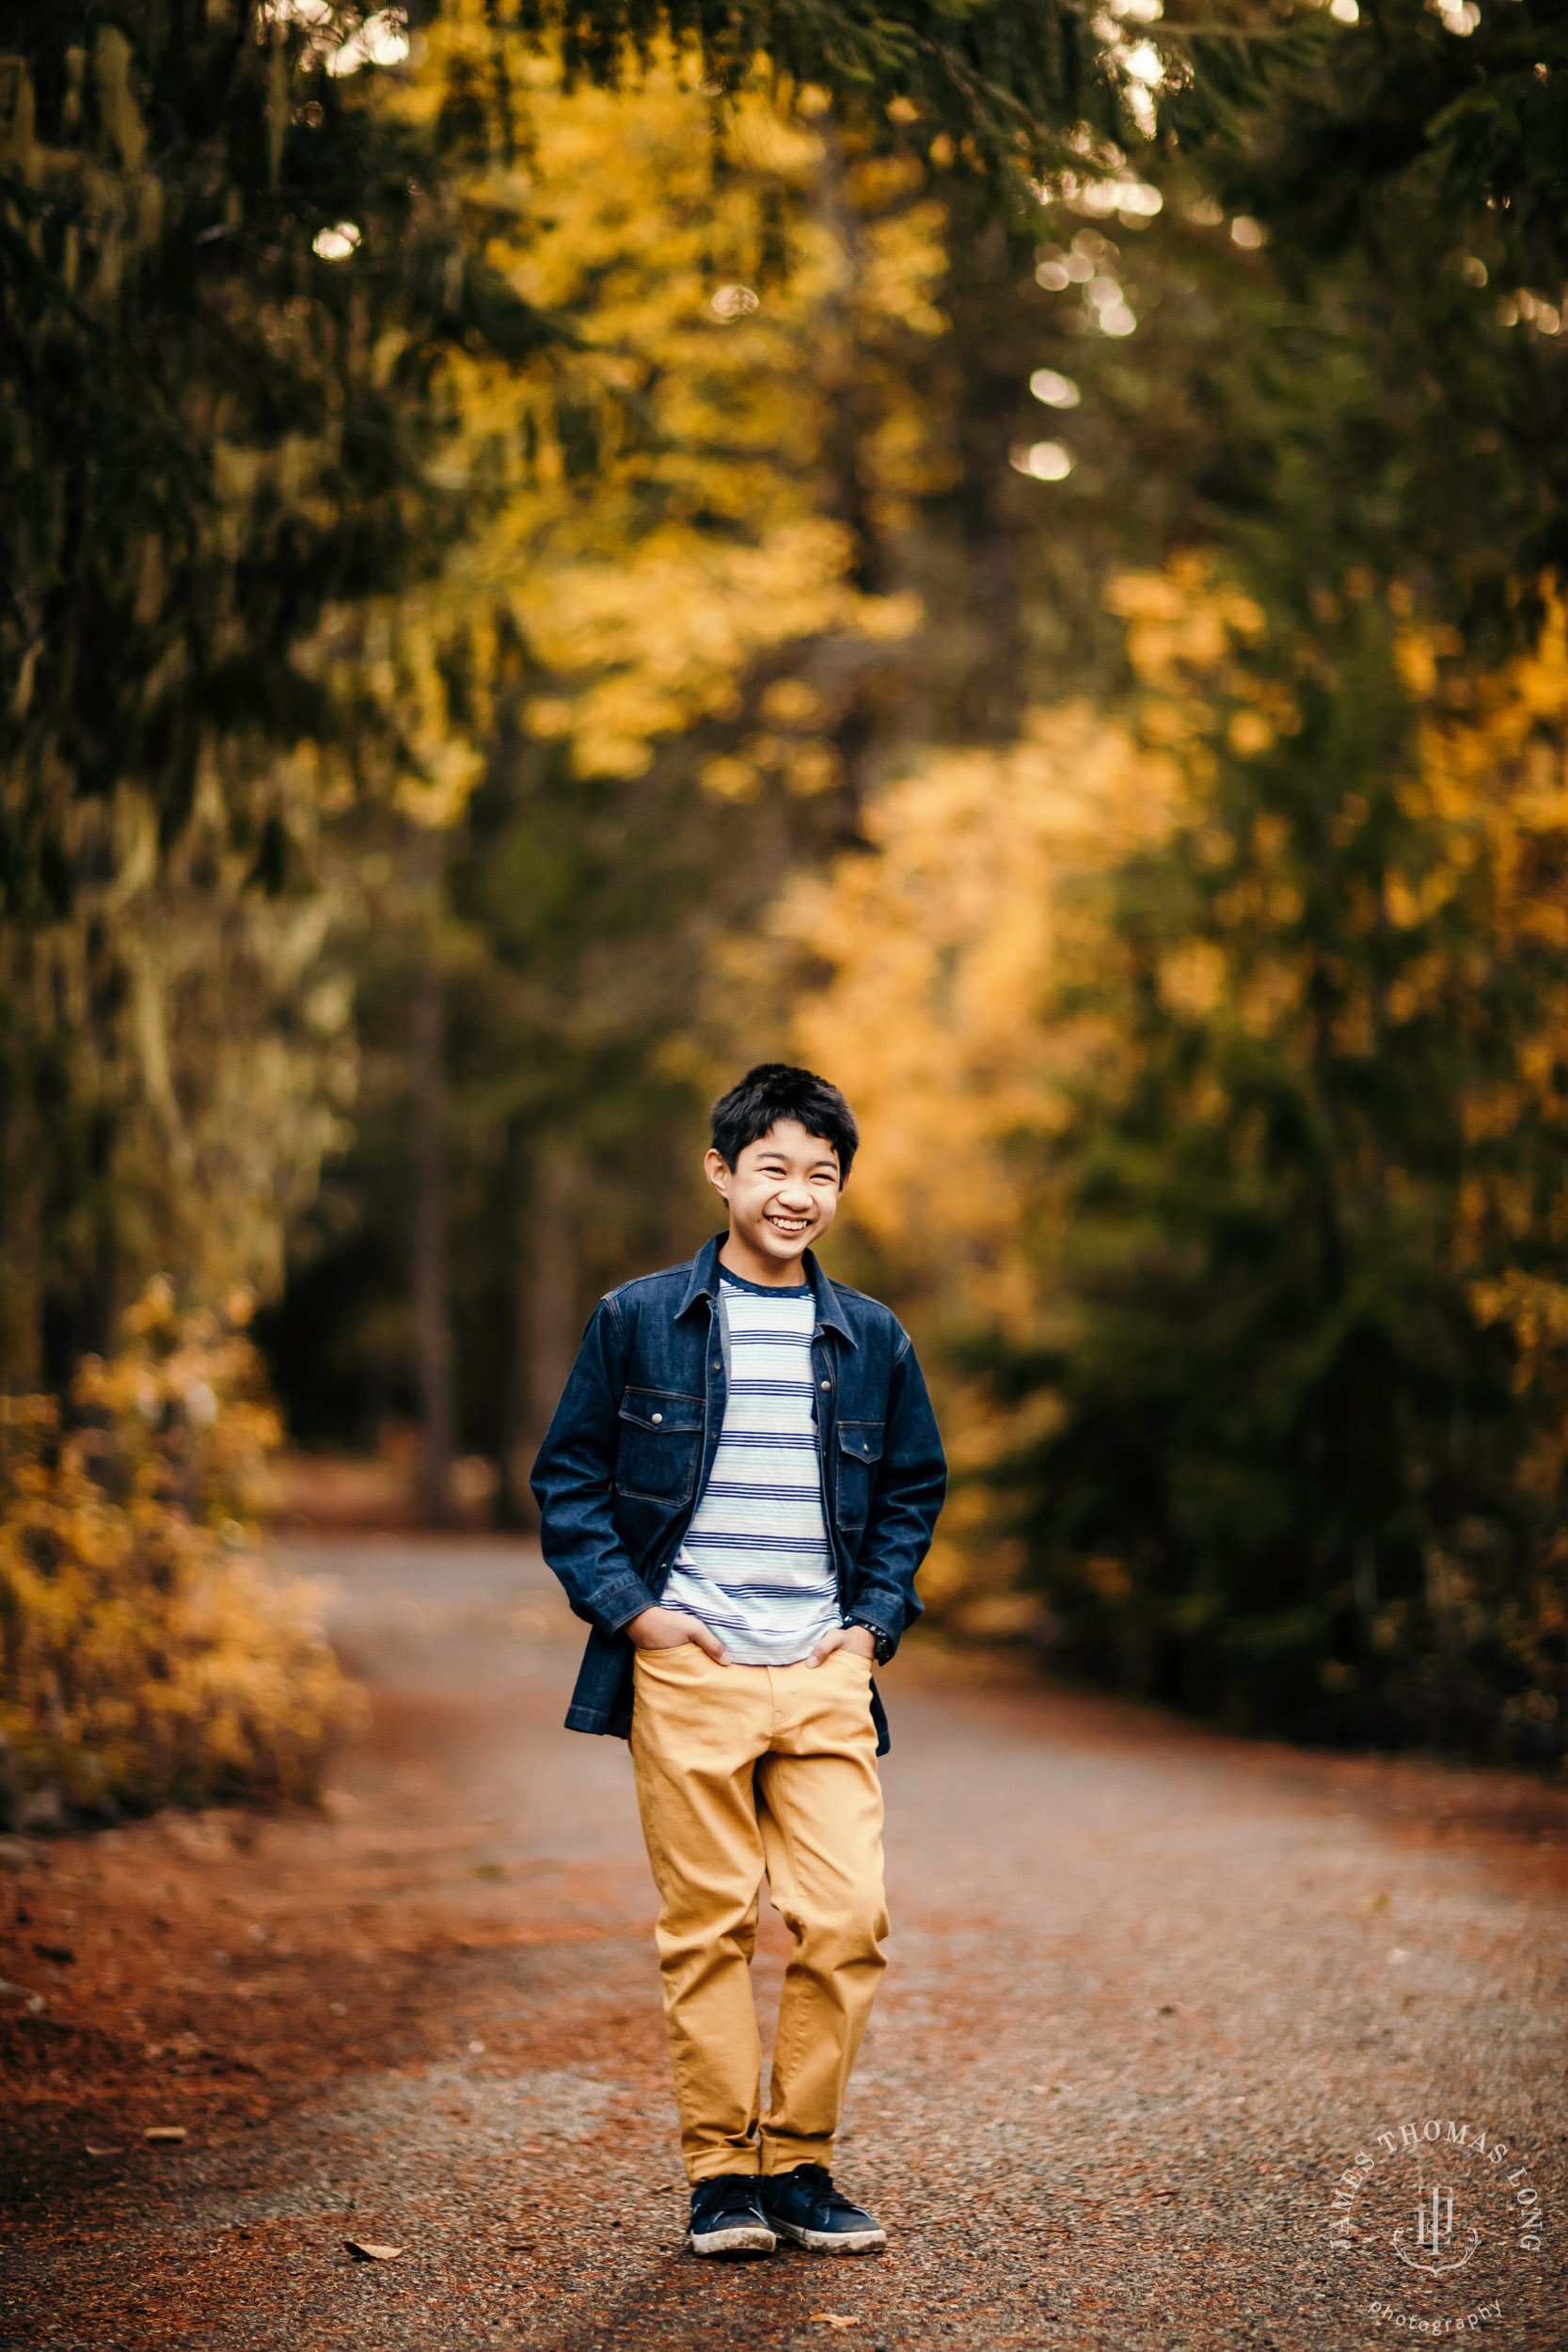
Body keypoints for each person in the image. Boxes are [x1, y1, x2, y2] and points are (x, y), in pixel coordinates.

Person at [531, 1063, 946, 2259]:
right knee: (708, 1923)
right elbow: (567, 1480)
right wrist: (638, 1615)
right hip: (690, 1664)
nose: (796, 1192)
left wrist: (869, 1623)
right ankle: (724, 2174)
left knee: (846, 1916)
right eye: (773, 1166)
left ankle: (800, 2165)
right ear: (720, 1173)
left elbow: (913, 1486)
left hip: (823, 1667)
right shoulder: (637, 1318)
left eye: (821, 1173)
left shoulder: (870, 1337)